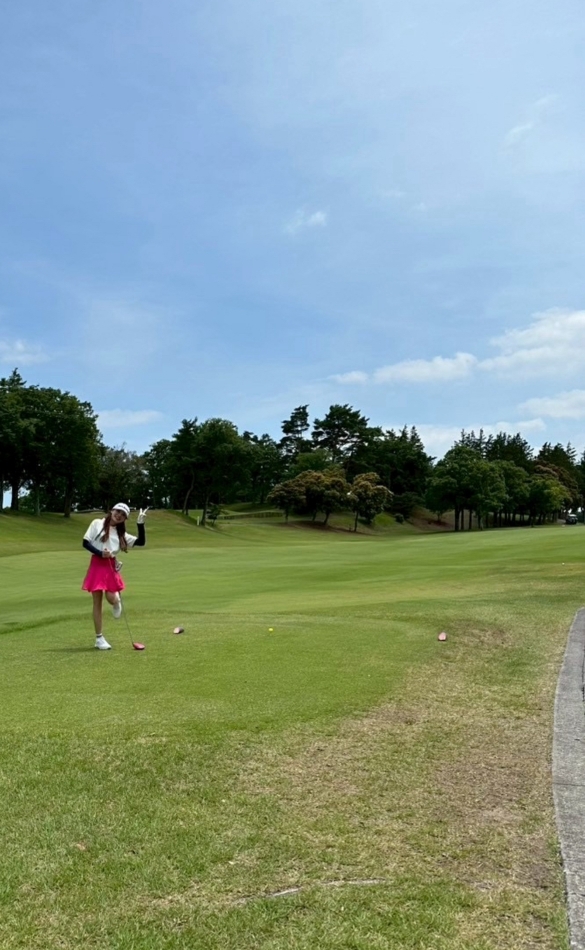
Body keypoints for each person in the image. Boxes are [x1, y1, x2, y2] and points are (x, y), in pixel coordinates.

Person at [81, 503, 148, 650]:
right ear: (112, 510)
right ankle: (99, 639)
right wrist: (100, 553)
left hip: (110, 565)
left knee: (111, 599)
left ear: (124, 519)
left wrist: (140, 524)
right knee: (97, 602)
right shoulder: (97, 523)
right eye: (118, 511)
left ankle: (117, 601)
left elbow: (141, 542)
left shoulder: (121, 534)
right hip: (97, 564)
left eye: (123, 515)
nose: (119, 515)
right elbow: (85, 543)